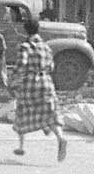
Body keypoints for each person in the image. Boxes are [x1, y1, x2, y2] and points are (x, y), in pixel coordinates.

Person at [11, 16, 66, 162]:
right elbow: (52, 66)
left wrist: (13, 75)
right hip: (46, 82)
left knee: (22, 112)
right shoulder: (46, 47)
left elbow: (21, 64)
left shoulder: (26, 46)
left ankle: (21, 146)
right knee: (51, 114)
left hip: (30, 83)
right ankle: (60, 138)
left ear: (25, 31)